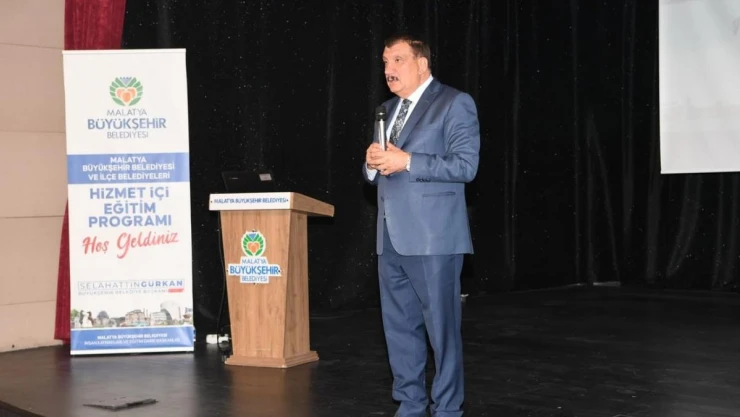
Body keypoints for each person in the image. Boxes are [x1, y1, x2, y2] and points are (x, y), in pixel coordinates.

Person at [362, 33, 480, 417]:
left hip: (434, 239)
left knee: (442, 333)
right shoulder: (386, 110)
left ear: (422, 64)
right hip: (390, 238)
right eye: (385, 62)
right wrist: (371, 164)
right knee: (399, 330)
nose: (388, 69)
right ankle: (410, 405)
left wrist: (409, 161)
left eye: (397, 60)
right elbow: (378, 172)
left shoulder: (454, 103)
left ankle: (447, 409)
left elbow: (466, 166)